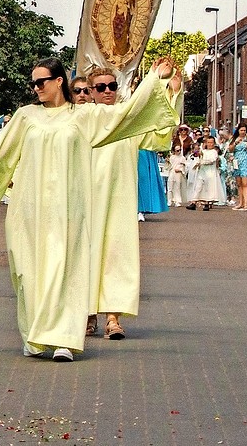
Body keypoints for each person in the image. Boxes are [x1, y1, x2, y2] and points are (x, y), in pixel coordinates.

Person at [0, 56, 181, 362]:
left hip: (68, 209)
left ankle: (63, 339)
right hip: (28, 210)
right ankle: (35, 335)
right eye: (33, 83)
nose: (36, 88)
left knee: (63, 268)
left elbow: (125, 116)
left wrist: (154, 80)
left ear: (59, 82)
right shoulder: (25, 117)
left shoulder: (82, 117)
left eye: (41, 82)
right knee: (28, 274)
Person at [84, 66, 178, 339]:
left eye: (112, 86)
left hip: (122, 197)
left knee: (118, 255)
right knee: (88, 255)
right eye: (100, 87)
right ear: (90, 92)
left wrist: (169, 91)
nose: (107, 92)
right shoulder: (85, 116)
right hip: (90, 196)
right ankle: (88, 315)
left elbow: (157, 133)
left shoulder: (129, 118)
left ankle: (113, 319)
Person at [187, 134, 224, 210]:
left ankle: (207, 203)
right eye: (208, 142)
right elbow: (198, 159)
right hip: (202, 171)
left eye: (211, 142)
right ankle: (194, 202)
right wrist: (198, 162)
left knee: (208, 188)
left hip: (210, 172)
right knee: (198, 186)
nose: (210, 144)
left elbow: (212, 160)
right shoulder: (203, 151)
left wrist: (203, 162)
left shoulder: (214, 152)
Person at [230, 125, 247, 210]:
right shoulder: (234, 139)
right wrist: (235, 143)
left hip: (245, 161)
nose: (243, 132)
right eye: (241, 130)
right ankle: (241, 202)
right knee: (239, 183)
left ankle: (246, 203)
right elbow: (230, 149)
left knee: (245, 183)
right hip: (237, 162)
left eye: (244, 130)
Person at [166, 137, 189, 207]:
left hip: (178, 174)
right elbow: (168, 166)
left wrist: (181, 169)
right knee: (170, 187)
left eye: (179, 150)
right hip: (172, 173)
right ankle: (169, 200)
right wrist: (167, 162)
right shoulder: (171, 157)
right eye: (177, 150)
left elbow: (187, 165)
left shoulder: (182, 158)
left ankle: (177, 201)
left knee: (177, 188)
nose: (178, 152)